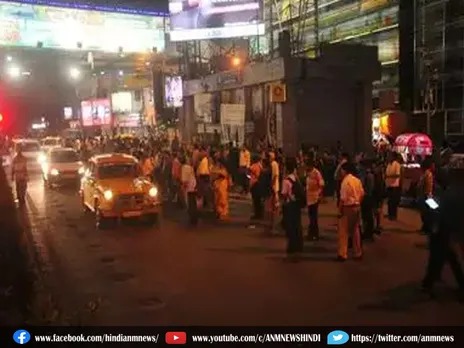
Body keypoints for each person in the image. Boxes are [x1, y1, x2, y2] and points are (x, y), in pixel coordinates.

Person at [421, 167, 464, 299]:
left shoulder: (451, 193)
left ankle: (428, 284)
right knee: (447, 259)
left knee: (440, 258)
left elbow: (440, 209)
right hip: (448, 231)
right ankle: (429, 283)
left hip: (444, 230)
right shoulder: (455, 192)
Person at [337, 162, 364, 261]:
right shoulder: (357, 180)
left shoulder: (345, 182)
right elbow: (362, 194)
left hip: (347, 207)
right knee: (355, 231)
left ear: (345, 170)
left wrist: (340, 210)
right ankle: (358, 253)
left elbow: (343, 198)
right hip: (356, 206)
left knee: (343, 231)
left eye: (341, 170)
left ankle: (342, 254)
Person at [281, 157, 304, 257]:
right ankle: (298, 246)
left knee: (290, 227)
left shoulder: (286, 180)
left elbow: (284, 194)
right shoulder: (296, 178)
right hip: (297, 205)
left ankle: (292, 247)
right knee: (297, 226)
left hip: (289, 205)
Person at [305, 158, 324, 240]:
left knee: (313, 217)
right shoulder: (307, 172)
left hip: (315, 197)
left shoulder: (316, 173)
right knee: (311, 216)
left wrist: (319, 194)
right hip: (309, 197)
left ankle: (313, 234)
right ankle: (313, 233)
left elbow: (321, 184)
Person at [418, 156, 434, 234]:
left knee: (426, 213)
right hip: (426, 195)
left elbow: (428, 186)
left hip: (427, 196)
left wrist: (427, 196)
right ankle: (425, 227)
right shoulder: (425, 173)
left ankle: (427, 228)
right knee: (425, 213)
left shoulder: (427, 174)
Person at [180, 156, 198, 226]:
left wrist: (183, 188)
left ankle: (192, 221)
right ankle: (194, 220)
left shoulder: (184, 168)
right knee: (193, 204)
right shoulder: (189, 167)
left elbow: (185, 181)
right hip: (193, 187)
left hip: (189, 188)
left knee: (191, 205)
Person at [385, 152, 401, 220]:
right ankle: (390, 214)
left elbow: (397, 175)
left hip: (394, 185)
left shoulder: (397, 164)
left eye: (390, 156)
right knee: (389, 201)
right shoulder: (388, 164)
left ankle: (393, 215)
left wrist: (389, 176)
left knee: (393, 201)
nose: (388, 157)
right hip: (389, 185)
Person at [249, 155, 264, 220]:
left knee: (256, 200)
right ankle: (259, 214)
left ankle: (257, 215)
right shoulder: (260, 166)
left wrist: (250, 176)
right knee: (258, 200)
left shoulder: (255, 166)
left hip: (255, 184)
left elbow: (249, 171)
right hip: (258, 184)